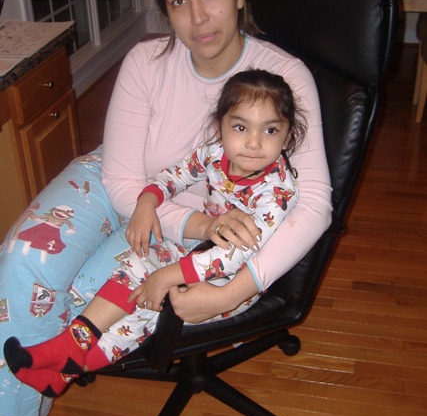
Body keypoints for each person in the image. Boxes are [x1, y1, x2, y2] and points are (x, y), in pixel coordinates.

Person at [0, 0, 332, 416]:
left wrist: (236, 287)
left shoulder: (284, 76)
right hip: (127, 183)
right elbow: (122, 179)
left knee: (83, 294)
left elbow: (315, 203)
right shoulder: (145, 61)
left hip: (202, 211)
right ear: (166, 11)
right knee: (22, 260)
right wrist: (178, 217)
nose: (198, 17)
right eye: (179, 1)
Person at [4, 68, 306, 397]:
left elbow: (234, 256)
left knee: (149, 302)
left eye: (270, 130)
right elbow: (175, 175)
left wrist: (166, 276)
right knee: (138, 262)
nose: (254, 142)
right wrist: (148, 199)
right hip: (201, 249)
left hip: (234, 279)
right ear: (220, 126)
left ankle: (70, 367)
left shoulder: (278, 191)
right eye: (240, 127)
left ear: (287, 135)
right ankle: (70, 348)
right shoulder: (215, 151)